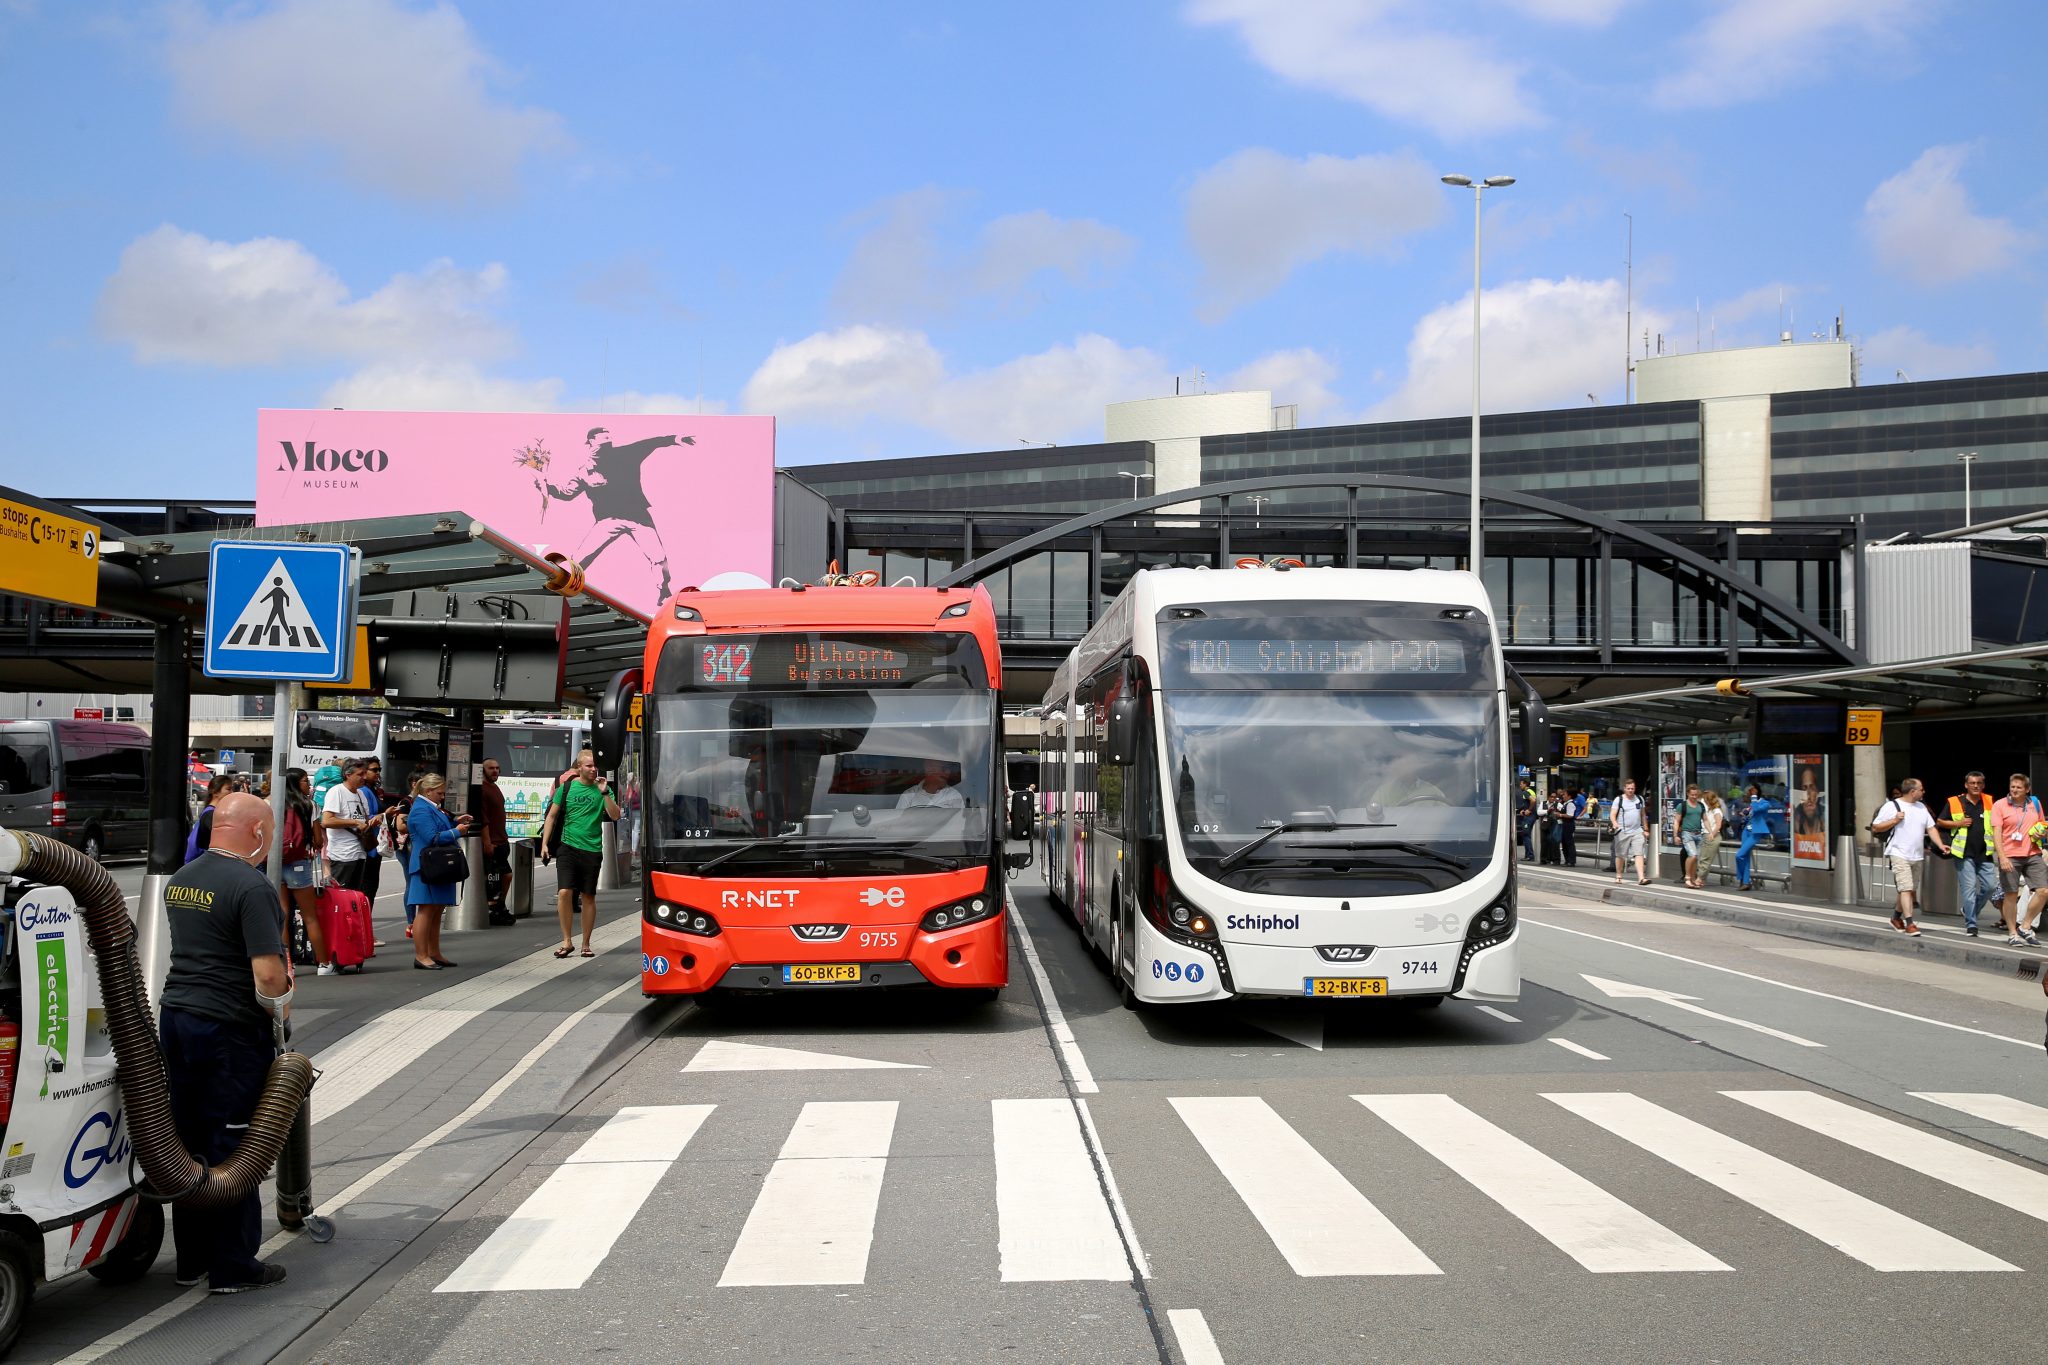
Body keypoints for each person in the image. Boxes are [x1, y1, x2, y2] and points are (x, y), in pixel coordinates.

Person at [159, 792, 290, 1294]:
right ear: (256, 832)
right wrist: (281, 1014)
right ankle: (233, 1266)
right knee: (234, 1146)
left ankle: (191, 1259)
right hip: (228, 1029)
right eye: (271, 831)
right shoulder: (250, 886)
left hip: (179, 1018)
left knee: (186, 1140)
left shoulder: (182, 880)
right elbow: (269, 976)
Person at [518, 427, 698, 601]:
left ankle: (664, 591)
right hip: (608, 520)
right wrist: (547, 487)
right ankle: (560, 584)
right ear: (590, 442)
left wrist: (674, 439)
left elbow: (649, 443)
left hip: (638, 517)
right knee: (581, 558)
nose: (607, 440)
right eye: (602, 438)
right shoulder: (584, 471)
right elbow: (567, 493)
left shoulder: (626, 454)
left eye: (608, 438)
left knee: (658, 557)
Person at [540, 750, 620, 958]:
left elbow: (615, 815)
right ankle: (567, 941)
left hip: (592, 848)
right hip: (567, 846)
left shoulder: (603, 789)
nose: (593, 770)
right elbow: (551, 816)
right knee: (565, 892)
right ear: (579, 767)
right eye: (589, 766)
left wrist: (604, 792)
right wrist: (545, 844)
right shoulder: (567, 787)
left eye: (595, 766)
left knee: (588, 896)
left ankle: (586, 942)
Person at [405, 773, 473, 971]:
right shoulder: (420, 810)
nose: (442, 797)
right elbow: (432, 837)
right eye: (440, 793)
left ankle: (433, 953)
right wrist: (456, 831)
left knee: (435, 911)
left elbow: (437, 828)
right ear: (428, 791)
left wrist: (454, 823)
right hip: (427, 866)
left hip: (436, 866)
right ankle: (421, 955)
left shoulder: (429, 808)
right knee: (426, 911)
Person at [276, 767, 333, 975]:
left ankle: (286, 966)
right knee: (309, 916)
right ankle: (325, 964)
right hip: (299, 863)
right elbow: (318, 840)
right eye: (304, 781)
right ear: (294, 783)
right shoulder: (309, 805)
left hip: (275, 863)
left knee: (282, 915)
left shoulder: (275, 803)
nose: (308, 785)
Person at [1871, 778, 1940, 936]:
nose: (1923, 792)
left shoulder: (1922, 807)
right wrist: (1895, 820)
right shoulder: (1892, 806)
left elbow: (1931, 828)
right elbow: (1876, 826)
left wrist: (1940, 845)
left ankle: (1896, 917)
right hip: (1898, 852)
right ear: (1912, 791)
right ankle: (1910, 923)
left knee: (1908, 890)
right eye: (1921, 789)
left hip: (1916, 855)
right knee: (1906, 888)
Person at [1936, 771, 1999, 937]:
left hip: (1985, 852)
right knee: (1969, 890)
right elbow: (1940, 821)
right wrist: (1959, 823)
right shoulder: (1955, 801)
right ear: (1966, 785)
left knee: (1990, 887)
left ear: (1983, 785)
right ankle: (1971, 924)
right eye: (1973, 783)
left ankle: (1969, 910)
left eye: (1979, 783)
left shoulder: (1990, 801)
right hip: (1963, 853)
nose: (1976, 786)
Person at [1991, 773, 2046, 946]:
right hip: (2010, 855)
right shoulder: (2000, 805)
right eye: (2012, 786)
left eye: (2019, 787)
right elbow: (1996, 833)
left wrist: (2042, 833)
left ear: (2027, 789)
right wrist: (2002, 857)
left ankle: (2025, 925)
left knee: (2044, 891)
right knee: (2011, 895)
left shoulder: (2034, 804)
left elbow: (2043, 826)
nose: (2014, 790)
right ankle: (2013, 932)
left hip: (2032, 853)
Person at [320, 758, 385, 897]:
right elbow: (326, 821)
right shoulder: (336, 791)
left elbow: (364, 820)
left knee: (354, 896)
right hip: (342, 855)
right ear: (348, 775)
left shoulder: (360, 793)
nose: (363, 777)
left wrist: (375, 820)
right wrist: (354, 822)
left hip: (360, 852)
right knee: (340, 897)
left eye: (364, 773)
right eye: (360, 774)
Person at [478, 757, 514, 926]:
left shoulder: (495, 787)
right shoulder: (482, 790)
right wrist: (487, 842)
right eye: (491, 768)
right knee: (494, 878)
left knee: (504, 876)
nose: (495, 771)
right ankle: (493, 908)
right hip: (492, 842)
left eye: (497, 768)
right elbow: (483, 819)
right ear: (483, 770)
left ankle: (499, 905)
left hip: (501, 840)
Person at [184, 773, 235, 864]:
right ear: (215, 792)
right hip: (205, 864)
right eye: (228, 789)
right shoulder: (211, 814)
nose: (232, 793)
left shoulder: (209, 812)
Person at [1734, 783, 1775, 891]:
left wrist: (1754, 798)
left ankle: (1743, 879)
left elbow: (1756, 810)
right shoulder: (1751, 804)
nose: (1750, 792)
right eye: (1749, 791)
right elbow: (1749, 816)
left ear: (1757, 791)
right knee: (1745, 857)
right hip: (1746, 831)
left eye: (1752, 790)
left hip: (1756, 832)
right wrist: (1744, 814)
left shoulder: (1765, 803)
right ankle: (1745, 882)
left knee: (1739, 855)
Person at [1610, 778, 1649, 885]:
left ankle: (1641, 878)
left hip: (1637, 830)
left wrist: (1645, 829)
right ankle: (1618, 875)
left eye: (1632, 788)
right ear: (1624, 789)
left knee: (1639, 853)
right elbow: (1613, 814)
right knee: (1621, 855)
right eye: (1628, 789)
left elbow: (1643, 815)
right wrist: (1615, 823)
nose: (1631, 790)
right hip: (1623, 830)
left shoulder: (1640, 799)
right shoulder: (1619, 800)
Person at [1671, 784, 1707, 888]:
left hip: (1698, 833)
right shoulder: (1682, 806)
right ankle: (1687, 877)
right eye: (1692, 795)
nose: (1694, 797)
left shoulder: (1700, 805)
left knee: (1696, 858)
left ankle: (1693, 878)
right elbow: (1676, 821)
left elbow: (1705, 819)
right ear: (1687, 794)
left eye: (1696, 795)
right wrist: (1675, 835)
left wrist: (1710, 832)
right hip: (1687, 833)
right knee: (1693, 855)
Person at [897, 757, 966, 810]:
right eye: (943, 768)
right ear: (928, 767)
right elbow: (899, 824)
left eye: (949, 769)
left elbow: (959, 824)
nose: (947, 772)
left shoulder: (954, 795)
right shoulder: (908, 796)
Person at [1699, 790, 1726, 881]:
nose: (1704, 801)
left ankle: (1700, 879)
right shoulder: (1710, 810)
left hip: (1712, 835)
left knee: (1705, 859)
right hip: (1707, 834)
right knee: (1703, 858)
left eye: (1705, 800)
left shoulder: (1716, 810)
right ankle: (1701, 879)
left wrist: (1712, 834)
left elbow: (1718, 825)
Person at [1561, 787, 1584, 867]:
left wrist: (1560, 815)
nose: (1563, 796)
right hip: (1564, 824)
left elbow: (1570, 815)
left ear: (1569, 796)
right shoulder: (1565, 803)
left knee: (1569, 843)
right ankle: (1567, 860)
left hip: (1568, 825)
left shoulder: (1570, 804)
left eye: (1565, 794)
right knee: (1564, 842)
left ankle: (1571, 861)